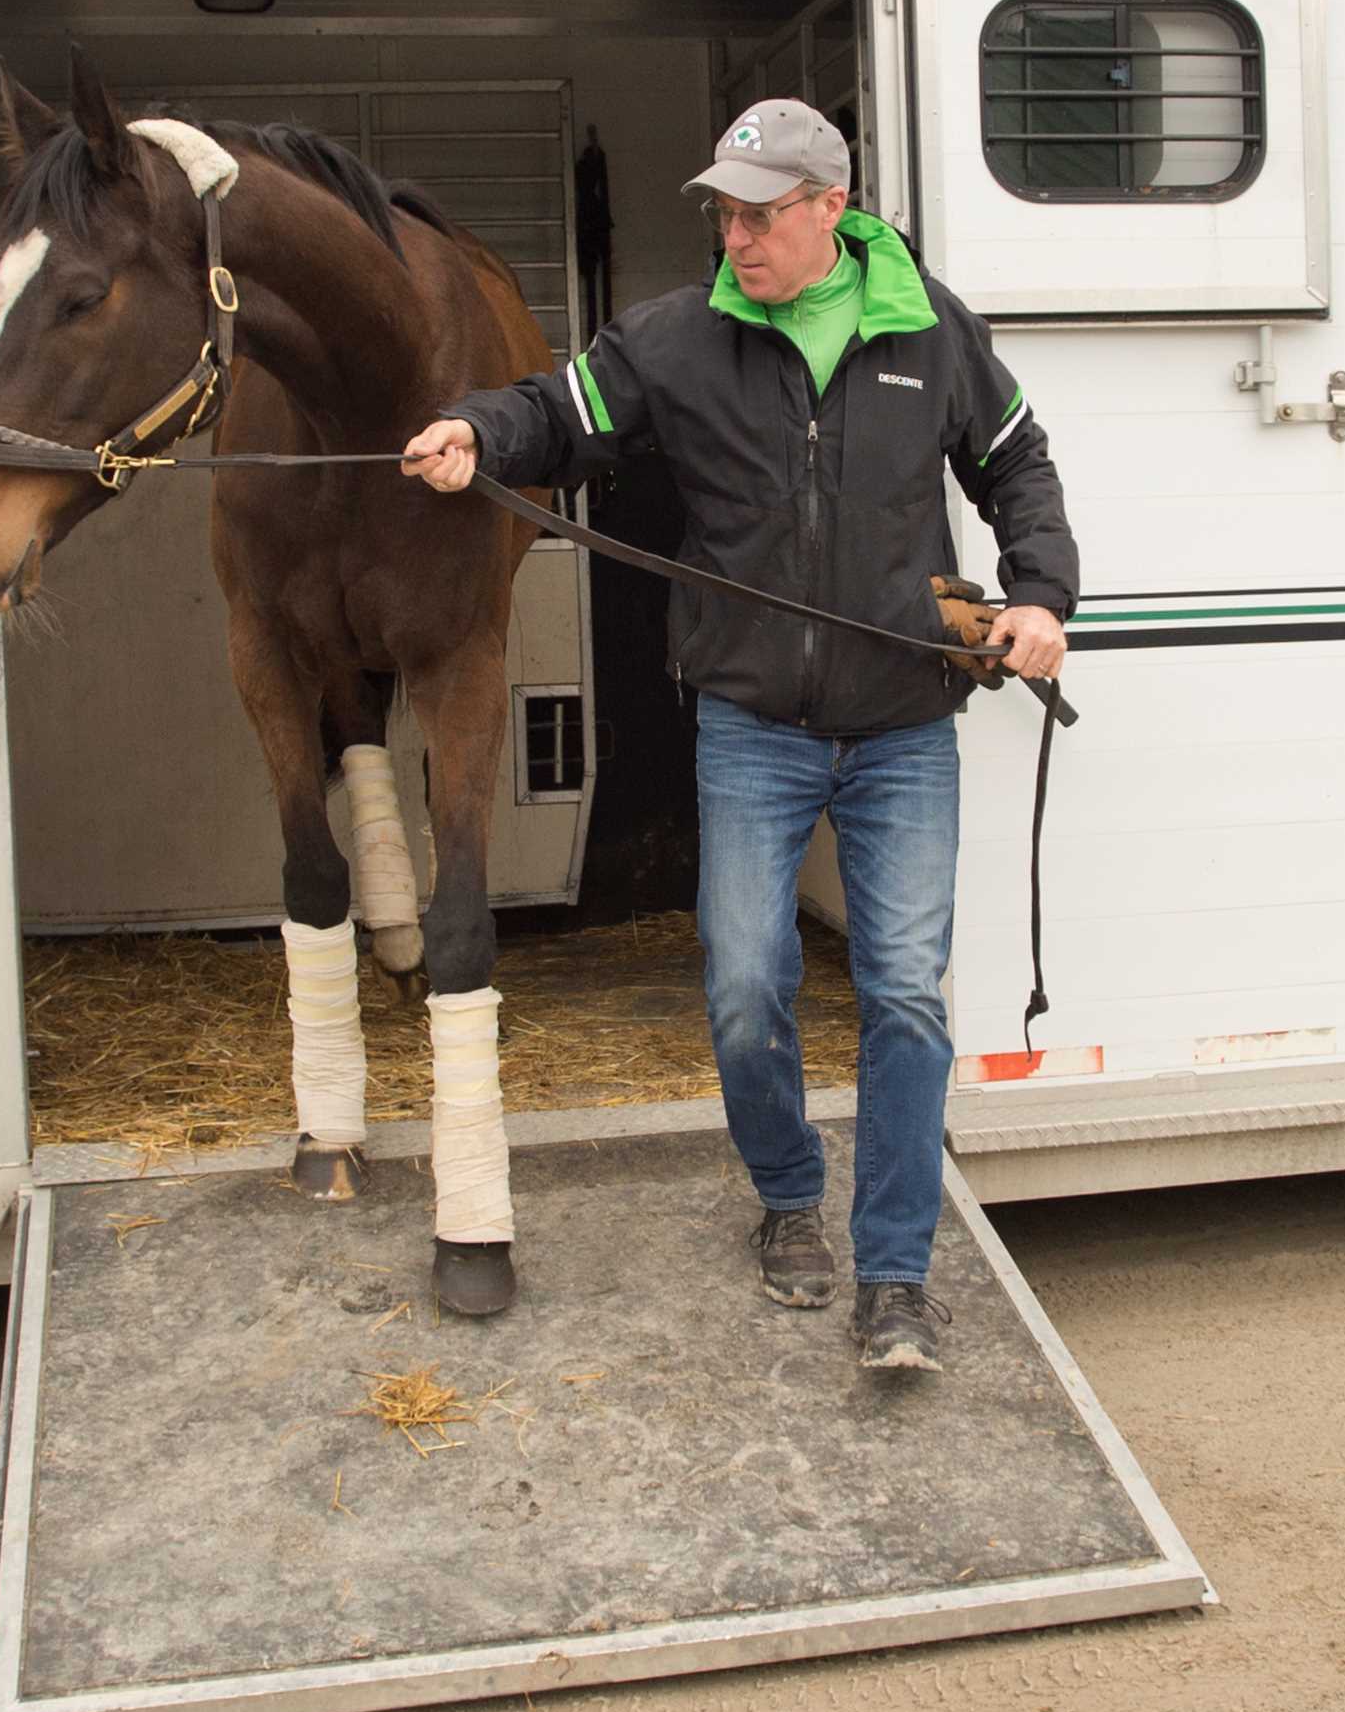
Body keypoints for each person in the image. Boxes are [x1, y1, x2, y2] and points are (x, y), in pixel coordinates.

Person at [400, 100, 1076, 1374]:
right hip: (753, 724)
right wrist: (477, 432)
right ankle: (784, 1193)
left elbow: (1017, 462)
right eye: (723, 210)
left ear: (832, 207)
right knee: (747, 988)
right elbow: (559, 410)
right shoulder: (678, 338)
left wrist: (1037, 590)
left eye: (761, 212)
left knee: (906, 1001)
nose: (736, 234)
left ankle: (895, 1279)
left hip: (902, 727)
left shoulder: (927, 330)